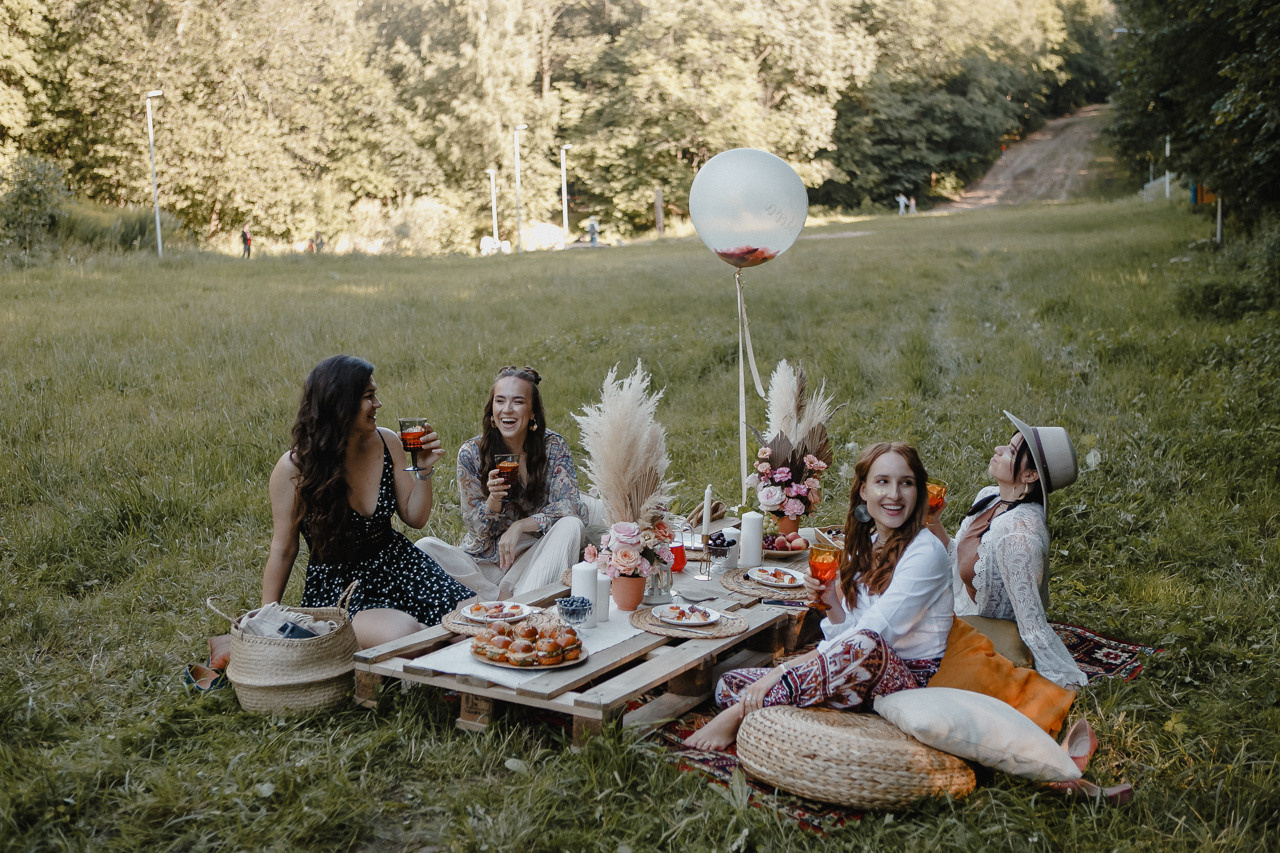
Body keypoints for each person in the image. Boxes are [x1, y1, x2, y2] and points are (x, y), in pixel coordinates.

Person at [685, 442, 952, 750]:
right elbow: (847, 631)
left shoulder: (926, 552)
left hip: (907, 680)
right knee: (730, 685)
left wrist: (782, 672)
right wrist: (832, 601)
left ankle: (741, 715)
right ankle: (797, 719)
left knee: (862, 644)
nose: (894, 494)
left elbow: (872, 637)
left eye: (906, 483)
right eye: (883, 482)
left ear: (918, 491)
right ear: (864, 491)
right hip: (854, 665)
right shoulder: (868, 542)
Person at [262, 355, 475, 649]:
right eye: (369, 396)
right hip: (341, 586)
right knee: (408, 635)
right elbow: (284, 548)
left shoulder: (387, 441)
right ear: (341, 404)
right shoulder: (295, 469)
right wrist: (265, 617)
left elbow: (415, 517)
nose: (378, 404)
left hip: (399, 564)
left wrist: (423, 469)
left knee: (473, 618)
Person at [928, 411, 1087, 689]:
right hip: (958, 605)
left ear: (1030, 474)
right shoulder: (990, 497)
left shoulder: (1018, 534)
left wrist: (1061, 679)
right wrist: (933, 522)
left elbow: (1031, 621)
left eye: (1011, 452)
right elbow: (962, 563)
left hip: (984, 631)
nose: (998, 450)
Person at [416, 365, 588, 599]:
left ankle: (516, 603)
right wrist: (493, 501)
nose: (507, 410)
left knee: (571, 526)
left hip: (531, 560)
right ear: (492, 410)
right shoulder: (472, 453)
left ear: (532, 412)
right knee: (425, 547)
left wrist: (520, 526)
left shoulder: (552, 446)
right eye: (500, 401)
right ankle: (501, 600)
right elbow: (476, 528)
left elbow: (572, 506)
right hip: (482, 565)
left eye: (518, 402)